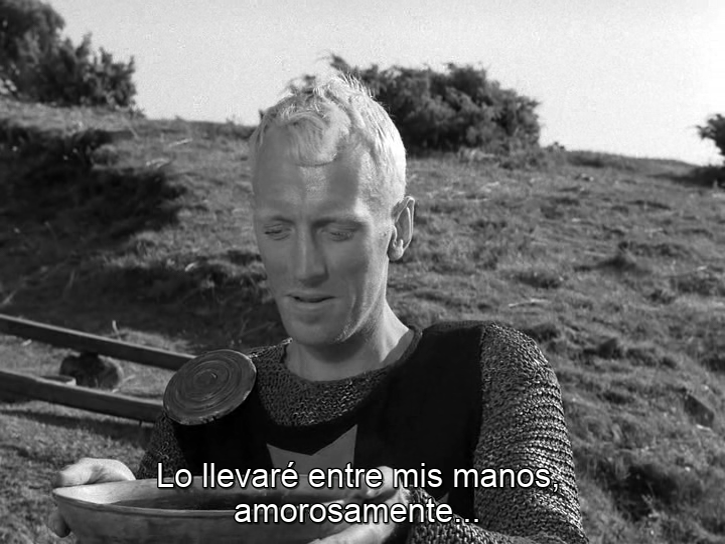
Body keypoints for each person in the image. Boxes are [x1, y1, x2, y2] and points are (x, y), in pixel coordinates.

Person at [48, 76, 589, 544]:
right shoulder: (209, 408)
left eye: (337, 230)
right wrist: (124, 511)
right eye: (278, 230)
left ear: (399, 229)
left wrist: (410, 526)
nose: (304, 267)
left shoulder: (484, 371)